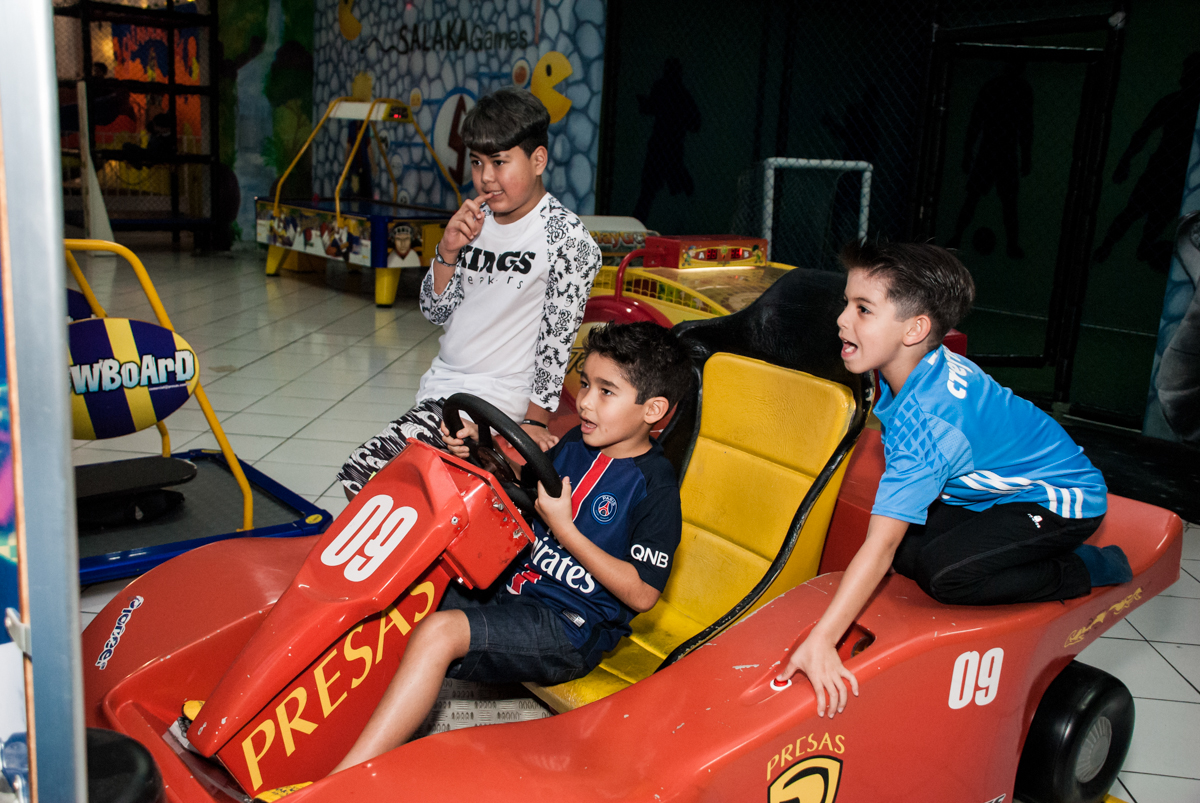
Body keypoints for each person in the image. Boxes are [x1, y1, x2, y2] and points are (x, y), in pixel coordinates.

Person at [777, 241, 1130, 718]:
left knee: (947, 577)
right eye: (846, 303)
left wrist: (823, 639)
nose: (842, 319)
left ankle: (1087, 567)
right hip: (998, 490)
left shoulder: (930, 427)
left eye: (862, 309)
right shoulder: (919, 364)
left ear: (916, 329)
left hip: (1061, 501)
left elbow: (878, 546)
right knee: (908, 552)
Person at [327, 321, 693, 774]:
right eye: (585, 384)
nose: (583, 401)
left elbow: (642, 594)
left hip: (569, 626)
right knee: (407, 587)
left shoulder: (654, 489)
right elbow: (528, 496)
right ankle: (336, 717)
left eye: (606, 391)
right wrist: (479, 454)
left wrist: (567, 533)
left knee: (439, 632)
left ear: (653, 409)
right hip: (514, 587)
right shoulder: (578, 443)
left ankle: (346, 777)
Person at [337, 87, 602, 499]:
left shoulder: (567, 241)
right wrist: (446, 252)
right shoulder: (474, 220)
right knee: (411, 498)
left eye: (499, 162)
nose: (486, 178)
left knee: (367, 479)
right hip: (440, 389)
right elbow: (435, 311)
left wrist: (533, 425)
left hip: (496, 402)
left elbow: (557, 343)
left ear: (537, 160)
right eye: (477, 163)